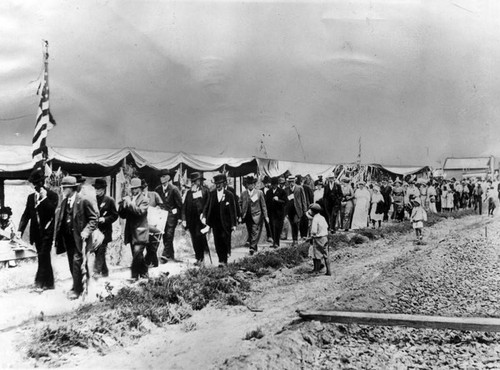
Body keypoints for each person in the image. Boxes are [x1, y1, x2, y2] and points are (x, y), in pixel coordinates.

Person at [53, 176, 98, 299]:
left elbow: (94, 219)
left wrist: (86, 231)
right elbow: (61, 221)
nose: (62, 190)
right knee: (72, 263)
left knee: (77, 262)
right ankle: (79, 284)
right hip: (68, 239)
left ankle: (78, 290)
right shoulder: (64, 202)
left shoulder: (83, 201)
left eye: (64, 188)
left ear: (72, 188)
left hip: (80, 238)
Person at [18, 168, 59, 291]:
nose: (36, 186)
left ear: (43, 182)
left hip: (47, 232)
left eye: (38, 183)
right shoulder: (31, 198)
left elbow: (52, 211)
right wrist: (20, 230)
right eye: (34, 184)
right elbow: (26, 215)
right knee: (44, 257)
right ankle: (50, 283)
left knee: (43, 255)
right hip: (36, 233)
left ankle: (39, 283)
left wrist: (44, 198)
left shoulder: (52, 195)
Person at [118, 177, 149, 280]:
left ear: (140, 189)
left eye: (135, 188)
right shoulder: (129, 198)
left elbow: (140, 212)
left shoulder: (145, 200)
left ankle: (134, 276)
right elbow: (123, 215)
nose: (133, 191)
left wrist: (130, 203)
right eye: (132, 189)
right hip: (131, 232)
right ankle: (144, 274)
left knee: (137, 253)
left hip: (140, 231)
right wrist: (122, 205)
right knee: (137, 255)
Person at [203, 174, 237, 267]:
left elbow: (233, 210)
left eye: (220, 183)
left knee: (225, 240)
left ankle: (224, 260)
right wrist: (204, 216)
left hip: (226, 223)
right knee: (217, 241)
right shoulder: (212, 194)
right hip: (215, 222)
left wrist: (233, 224)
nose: (218, 185)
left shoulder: (229, 195)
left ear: (224, 183)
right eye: (216, 183)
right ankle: (220, 259)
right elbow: (208, 206)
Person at [182, 172, 210, 265]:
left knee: (200, 238)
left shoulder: (205, 191)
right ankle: (198, 258)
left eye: (196, 181)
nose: (194, 183)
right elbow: (185, 206)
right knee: (194, 239)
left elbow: (208, 205)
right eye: (193, 181)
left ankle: (201, 258)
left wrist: (205, 216)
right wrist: (184, 219)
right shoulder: (189, 192)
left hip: (201, 220)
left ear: (200, 182)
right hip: (191, 220)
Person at [92, 178, 118, 278]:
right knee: (97, 250)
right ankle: (105, 271)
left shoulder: (109, 200)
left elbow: (115, 215)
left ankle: (97, 271)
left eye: (99, 189)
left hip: (105, 230)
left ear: (103, 189)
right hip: (95, 230)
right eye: (96, 189)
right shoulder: (93, 199)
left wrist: (105, 219)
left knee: (101, 249)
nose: (97, 191)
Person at [155, 169, 182, 263]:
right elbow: (156, 202)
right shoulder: (158, 189)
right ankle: (171, 255)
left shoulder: (174, 189)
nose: (162, 179)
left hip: (171, 217)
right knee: (165, 236)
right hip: (161, 217)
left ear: (168, 177)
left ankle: (164, 255)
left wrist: (179, 217)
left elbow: (180, 204)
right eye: (161, 177)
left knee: (169, 235)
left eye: (164, 177)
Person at [240, 175, 269, 255]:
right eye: (249, 184)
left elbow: (263, 205)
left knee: (254, 231)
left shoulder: (259, 193)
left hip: (257, 215)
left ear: (254, 185)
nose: (250, 185)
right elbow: (239, 203)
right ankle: (254, 247)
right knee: (250, 231)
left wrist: (266, 216)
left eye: (252, 184)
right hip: (247, 215)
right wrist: (240, 213)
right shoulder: (244, 193)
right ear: (247, 185)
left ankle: (252, 247)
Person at [306, 203, 331, 276]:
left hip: (318, 238)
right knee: (326, 255)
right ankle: (328, 271)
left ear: (312, 212)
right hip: (325, 237)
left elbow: (314, 231)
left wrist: (309, 238)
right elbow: (326, 226)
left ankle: (316, 270)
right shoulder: (322, 217)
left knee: (316, 255)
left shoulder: (315, 219)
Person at [285, 175, 308, 246]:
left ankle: (295, 240)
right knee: (292, 224)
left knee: (295, 223)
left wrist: (304, 209)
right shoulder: (286, 189)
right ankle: (294, 239)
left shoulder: (299, 188)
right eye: (290, 182)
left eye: (292, 181)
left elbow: (303, 199)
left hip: (298, 209)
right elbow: (285, 201)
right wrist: (285, 211)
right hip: (290, 209)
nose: (291, 183)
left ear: (295, 181)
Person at [264, 177, 287, 248]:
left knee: (278, 227)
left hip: (279, 213)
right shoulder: (268, 192)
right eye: (272, 185)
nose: (274, 186)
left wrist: (278, 200)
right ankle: (274, 241)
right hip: (271, 213)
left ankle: (277, 242)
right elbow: (266, 203)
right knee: (271, 227)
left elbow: (285, 202)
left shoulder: (282, 192)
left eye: (275, 185)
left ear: (277, 184)